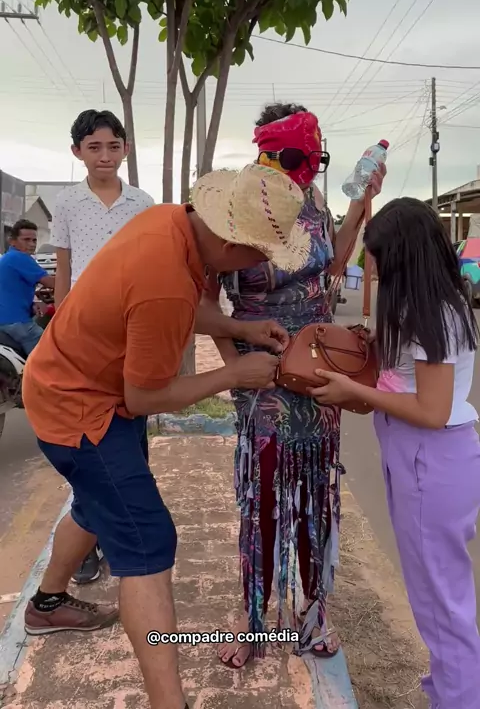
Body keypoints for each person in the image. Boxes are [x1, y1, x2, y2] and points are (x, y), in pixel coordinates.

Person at [22, 163, 307, 709]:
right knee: (148, 541)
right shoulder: (165, 282)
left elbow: (187, 308)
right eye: (259, 253)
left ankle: (48, 603)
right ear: (229, 242)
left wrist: (237, 328)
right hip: (81, 410)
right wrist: (232, 375)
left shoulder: (171, 222)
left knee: (100, 503)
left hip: (74, 384)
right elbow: (144, 398)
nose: (260, 264)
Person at [205, 103, 386, 667]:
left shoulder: (313, 202)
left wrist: (360, 204)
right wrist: (235, 374)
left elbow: (330, 266)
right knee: (261, 497)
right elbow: (203, 305)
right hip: (259, 376)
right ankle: (253, 616)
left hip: (319, 371)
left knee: (315, 496)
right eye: (297, 157)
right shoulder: (233, 205)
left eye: (315, 157)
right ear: (269, 152)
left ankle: (314, 608)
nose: (306, 168)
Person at [310, 197, 480, 709]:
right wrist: (374, 347)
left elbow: (431, 410)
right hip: (417, 456)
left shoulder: (436, 315)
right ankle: (446, 692)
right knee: (433, 596)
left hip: (431, 456)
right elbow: (407, 377)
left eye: (380, 258)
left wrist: (352, 389)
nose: (373, 268)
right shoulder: (420, 305)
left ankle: (459, 698)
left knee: (442, 604)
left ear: (406, 257)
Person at [52, 108, 154, 585]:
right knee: (87, 440)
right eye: (94, 147)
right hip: (82, 337)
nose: (105, 156)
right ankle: (86, 539)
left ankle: (121, 537)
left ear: (126, 149)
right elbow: (64, 271)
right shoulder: (67, 203)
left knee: (131, 432)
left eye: (113, 146)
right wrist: (59, 332)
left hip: (130, 334)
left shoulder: (142, 203)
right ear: (78, 152)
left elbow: (150, 267)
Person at [0, 219, 55, 356]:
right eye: (26, 240)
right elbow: (53, 283)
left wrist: (34, 302)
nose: (32, 244)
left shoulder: (8, 258)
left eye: (34, 240)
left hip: (6, 320)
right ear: (12, 241)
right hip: (16, 322)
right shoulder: (20, 258)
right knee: (49, 354)